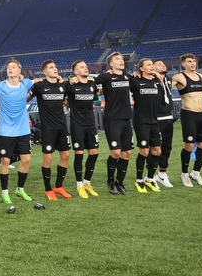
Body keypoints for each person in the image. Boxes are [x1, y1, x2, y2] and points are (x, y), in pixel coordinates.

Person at [0, 59, 34, 204]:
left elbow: (38, 80)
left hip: (23, 130)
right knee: (5, 161)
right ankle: (5, 192)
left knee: (26, 159)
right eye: (8, 67)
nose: (10, 69)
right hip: (5, 130)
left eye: (13, 67)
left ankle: (20, 189)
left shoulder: (26, 84)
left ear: (20, 71)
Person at [29, 60, 72, 202]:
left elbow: (68, 99)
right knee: (48, 158)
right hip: (48, 129)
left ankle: (58, 186)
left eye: (55, 67)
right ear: (45, 72)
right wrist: (29, 82)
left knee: (65, 155)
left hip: (62, 127)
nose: (55, 69)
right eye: (51, 68)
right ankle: (48, 190)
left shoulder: (63, 85)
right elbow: (24, 98)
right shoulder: (39, 86)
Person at [93, 52, 134, 195]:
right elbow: (91, 83)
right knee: (116, 152)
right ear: (111, 64)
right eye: (117, 59)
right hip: (112, 119)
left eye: (122, 59)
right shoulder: (106, 76)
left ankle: (120, 183)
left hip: (126, 119)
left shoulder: (128, 77)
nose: (121, 61)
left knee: (127, 152)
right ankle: (110, 181)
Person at [171, 54, 202, 187]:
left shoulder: (200, 76)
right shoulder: (179, 77)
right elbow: (165, 88)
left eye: (194, 61)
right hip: (189, 114)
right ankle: (184, 173)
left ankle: (196, 172)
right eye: (189, 61)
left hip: (201, 115)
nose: (193, 64)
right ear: (183, 64)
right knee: (189, 145)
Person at [66, 60, 100, 198]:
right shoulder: (70, 85)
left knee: (94, 153)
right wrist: (69, 80)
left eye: (86, 66)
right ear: (75, 72)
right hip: (77, 124)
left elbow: (100, 90)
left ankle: (87, 182)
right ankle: (79, 185)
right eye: (82, 67)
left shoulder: (92, 84)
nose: (86, 68)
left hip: (91, 124)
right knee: (79, 154)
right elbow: (59, 87)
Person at [129, 59, 163, 194]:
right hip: (141, 121)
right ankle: (138, 180)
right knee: (144, 151)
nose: (152, 66)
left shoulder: (157, 83)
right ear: (141, 69)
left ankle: (149, 179)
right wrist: (134, 74)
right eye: (149, 65)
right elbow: (127, 78)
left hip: (154, 121)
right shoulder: (136, 81)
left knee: (157, 151)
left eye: (152, 64)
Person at [152, 60, 175, 188]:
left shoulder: (169, 80)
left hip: (169, 118)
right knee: (155, 149)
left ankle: (162, 173)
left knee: (167, 148)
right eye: (159, 64)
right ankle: (150, 175)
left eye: (164, 64)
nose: (164, 65)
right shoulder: (151, 80)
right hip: (156, 118)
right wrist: (154, 73)